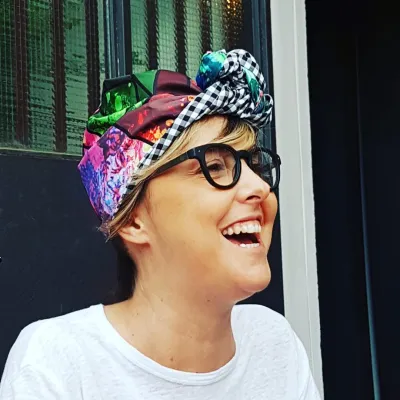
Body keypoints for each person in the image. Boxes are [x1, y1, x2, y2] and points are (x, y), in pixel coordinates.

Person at [0, 49, 321, 399]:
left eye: (255, 166)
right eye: (214, 167)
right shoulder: (56, 366)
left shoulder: (275, 345)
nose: (259, 187)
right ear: (133, 219)